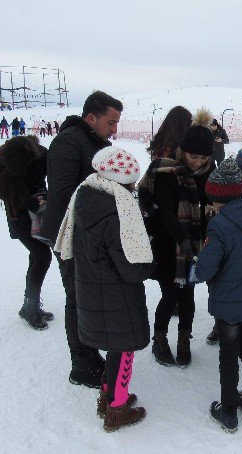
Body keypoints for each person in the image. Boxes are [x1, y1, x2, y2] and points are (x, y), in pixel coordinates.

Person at [55, 146, 153, 432]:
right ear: (123, 182)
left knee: (114, 347)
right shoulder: (117, 212)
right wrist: (152, 265)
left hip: (94, 288)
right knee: (124, 350)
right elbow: (131, 267)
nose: (135, 187)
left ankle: (107, 396)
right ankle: (117, 409)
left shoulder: (86, 195)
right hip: (116, 294)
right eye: (133, 182)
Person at [39, 90, 122, 388]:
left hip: (87, 233)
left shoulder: (92, 142)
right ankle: (82, 365)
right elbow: (63, 194)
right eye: (110, 123)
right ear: (91, 117)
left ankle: (89, 355)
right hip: (68, 235)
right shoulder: (68, 142)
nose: (114, 130)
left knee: (86, 296)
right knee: (76, 299)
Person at [195, 157, 242, 433]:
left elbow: (205, 269)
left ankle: (228, 410)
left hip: (229, 305)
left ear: (219, 197)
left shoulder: (220, 225)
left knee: (228, 355)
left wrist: (195, 267)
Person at [143, 108, 214, 368]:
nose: (198, 162)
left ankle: (184, 338)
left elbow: (210, 206)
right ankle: (159, 338)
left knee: (188, 296)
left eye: (204, 157)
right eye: (194, 156)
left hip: (194, 244)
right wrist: (182, 238)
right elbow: (165, 212)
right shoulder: (167, 172)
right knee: (170, 294)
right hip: (167, 243)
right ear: (184, 151)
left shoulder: (207, 172)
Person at [0, 136, 53, 329]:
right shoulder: (1, 161)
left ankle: (29, 306)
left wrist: (45, 198)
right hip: (19, 215)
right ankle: (30, 307)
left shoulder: (40, 155)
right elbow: (6, 193)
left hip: (39, 213)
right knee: (42, 257)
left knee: (37, 256)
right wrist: (32, 200)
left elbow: (47, 178)